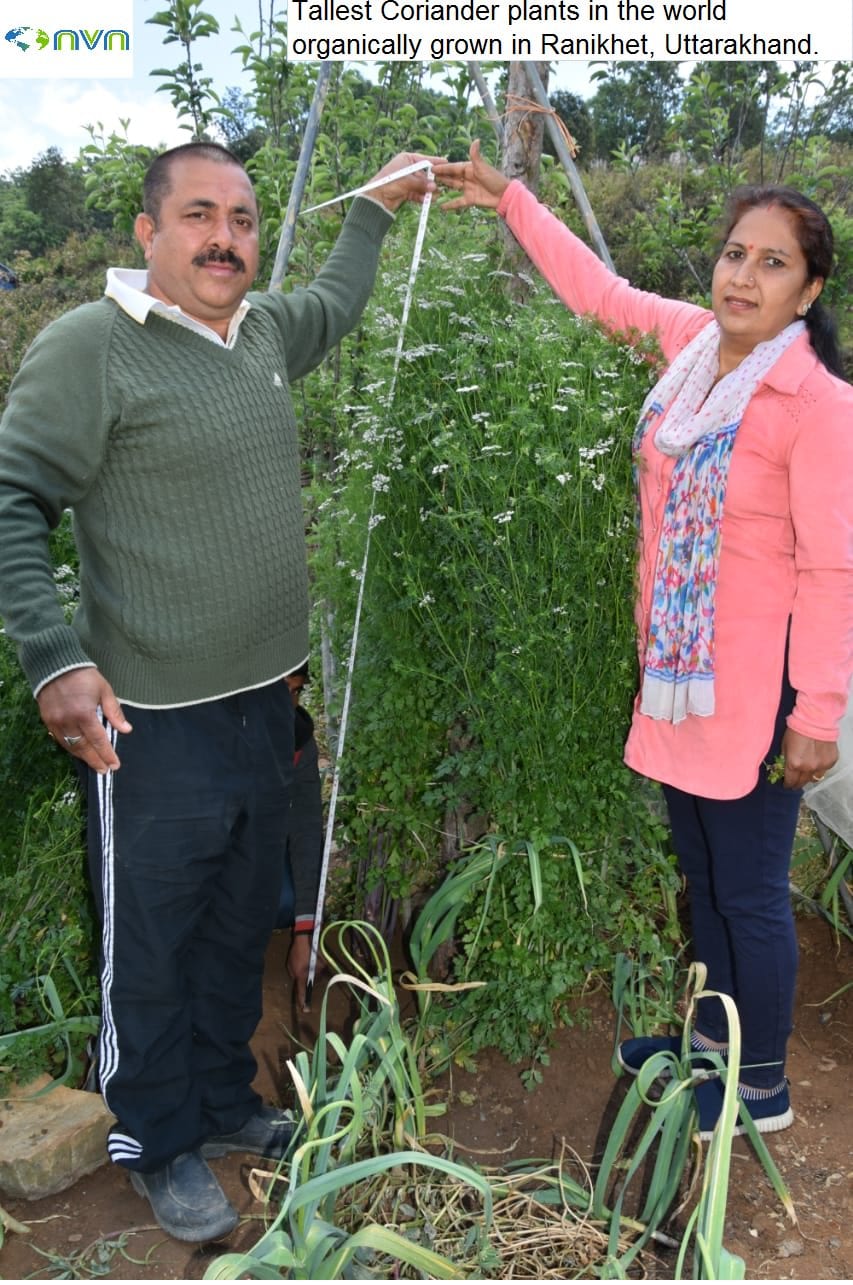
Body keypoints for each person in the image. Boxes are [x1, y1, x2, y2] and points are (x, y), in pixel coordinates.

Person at [0, 141, 436, 1242]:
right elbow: (12, 497)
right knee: (151, 937)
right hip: (147, 719)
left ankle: (221, 1100)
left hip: (266, 706)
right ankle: (155, 1137)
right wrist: (54, 657)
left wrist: (375, 205)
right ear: (148, 233)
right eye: (200, 216)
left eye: (242, 220)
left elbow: (334, 300)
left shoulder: (264, 334)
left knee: (238, 919)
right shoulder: (92, 347)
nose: (226, 239)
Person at [436, 142, 853, 1138]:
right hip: (679, 682)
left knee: (750, 892)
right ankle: (707, 1043)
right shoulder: (692, 349)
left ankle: (760, 1085)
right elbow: (597, 291)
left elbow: (832, 571)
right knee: (702, 873)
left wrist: (816, 716)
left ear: (807, 292)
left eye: (771, 262)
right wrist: (510, 198)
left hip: (755, 698)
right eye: (734, 253)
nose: (742, 275)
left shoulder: (821, 408)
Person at [276, 664, 324, 1012]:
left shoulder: (298, 741)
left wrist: (304, 933)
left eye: (295, 692)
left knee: (283, 904)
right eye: (278, 692)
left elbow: (306, 830)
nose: (288, 706)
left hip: (261, 848)